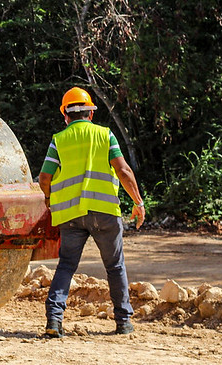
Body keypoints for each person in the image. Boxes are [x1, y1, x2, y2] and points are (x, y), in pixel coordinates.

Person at [38, 86, 145, 338]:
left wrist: (48, 197)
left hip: (71, 216)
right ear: (91, 114)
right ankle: (123, 322)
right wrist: (138, 203)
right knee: (115, 266)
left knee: (66, 265)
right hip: (105, 211)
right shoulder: (105, 135)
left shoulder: (59, 140)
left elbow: (44, 177)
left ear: (66, 115)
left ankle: (54, 320)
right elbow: (124, 171)